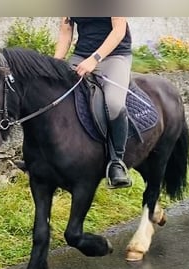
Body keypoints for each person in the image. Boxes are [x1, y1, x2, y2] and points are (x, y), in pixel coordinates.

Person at [54, 17, 133, 188]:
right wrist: (54, 64)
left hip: (114, 56)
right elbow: (66, 32)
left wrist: (94, 59)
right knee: (53, 94)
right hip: (81, 56)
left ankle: (116, 162)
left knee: (113, 104)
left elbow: (119, 30)